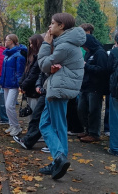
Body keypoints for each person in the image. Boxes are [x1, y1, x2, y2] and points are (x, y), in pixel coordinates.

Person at [37, 13, 86, 179]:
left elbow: (43, 64)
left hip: (59, 89)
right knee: (45, 124)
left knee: (58, 127)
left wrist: (45, 43)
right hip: (57, 87)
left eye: (52, 24)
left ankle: (59, 159)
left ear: (61, 26)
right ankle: (58, 159)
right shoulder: (66, 42)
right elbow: (49, 66)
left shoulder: (65, 45)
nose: (49, 27)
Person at [77, 34, 109, 143]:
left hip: (95, 87)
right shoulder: (89, 53)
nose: (84, 48)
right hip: (85, 85)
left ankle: (94, 133)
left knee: (93, 110)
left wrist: (86, 66)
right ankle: (87, 130)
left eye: (85, 46)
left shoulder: (100, 53)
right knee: (82, 109)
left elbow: (103, 70)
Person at [0, 34, 26, 136]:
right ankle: (12, 125)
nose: (5, 41)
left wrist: (20, 84)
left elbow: (20, 72)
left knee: (9, 105)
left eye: (7, 40)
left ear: (12, 41)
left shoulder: (19, 55)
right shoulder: (7, 55)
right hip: (7, 83)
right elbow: (4, 70)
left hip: (14, 84)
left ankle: (16, 126)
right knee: (7, 106)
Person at [19, 34, 43, 119]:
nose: (31, 46)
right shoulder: (31, 57)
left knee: (35, 113)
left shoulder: (39, 57)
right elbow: (26, 73)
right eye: (30, 44)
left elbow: (33, 74)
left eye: (32, 44)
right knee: (31, 113)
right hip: (29, 89)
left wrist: (23, 85)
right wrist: (21, 84)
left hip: (34, 90)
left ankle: (34, 131)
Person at [108, 33, 118, 156]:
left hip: (116, 89)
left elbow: (108, 69)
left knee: (115, 118)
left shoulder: (114, 53)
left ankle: (115, 147)